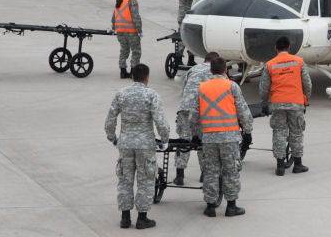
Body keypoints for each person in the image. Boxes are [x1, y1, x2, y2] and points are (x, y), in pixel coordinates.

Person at [104, 64, 170, 230]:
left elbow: (110, 119)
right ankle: (142, 218)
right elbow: (160, 120)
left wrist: (113, 138)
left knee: (125, 179)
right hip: (145, 144)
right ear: (147, 77)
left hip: (125, 142)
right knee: (145, 179)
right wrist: (164, 139)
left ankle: (125, 218)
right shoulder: (151, 95)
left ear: (132, 77)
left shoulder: (121, 94)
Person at [189, 58, 253, 218]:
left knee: (210, 171)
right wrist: (247, 130)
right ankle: (231, 206)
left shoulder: (202, 88)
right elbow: (243, 111)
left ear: (211, 71)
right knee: (230, 170)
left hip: (209, 137)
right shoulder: (232, 86)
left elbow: (194, 116)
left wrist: (196, 133)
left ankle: (210, 206)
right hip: (229, 137)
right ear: (225, 70)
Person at [260, 36, 312, 176]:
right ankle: (298, 164)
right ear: (289, 48)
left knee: (279, 133)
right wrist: (305, 100)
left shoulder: (270, 64)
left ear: (275, 48)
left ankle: (280, 166)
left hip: (277, 104)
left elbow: (264, 88)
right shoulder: (299, 62)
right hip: (296, 103)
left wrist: (265, 104)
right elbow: (307, 84)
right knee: (296, 132)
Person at [173, 51, 219, 186]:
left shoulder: (193, 69)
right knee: (203, 141)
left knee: (184, 140)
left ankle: (180, 175)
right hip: (204, 110)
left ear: (204, 60)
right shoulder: (217, 71)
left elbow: (185, 87)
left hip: (185, 108)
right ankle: (204, 174)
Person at [113, 0, 142, 79]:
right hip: (131, 32)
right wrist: (139, 30)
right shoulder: (132, 0)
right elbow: (136, 17)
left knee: (124, 51)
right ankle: (133, 72)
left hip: (120, 31)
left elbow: (114, 16)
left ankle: (122, 71)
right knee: (136, 51)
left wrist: (114, 28)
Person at [177, 0, 199, 67]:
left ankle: (191, 60)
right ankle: (178, 58)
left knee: (192, 39)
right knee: (182, 39)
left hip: (193, 16)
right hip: (184, 17)